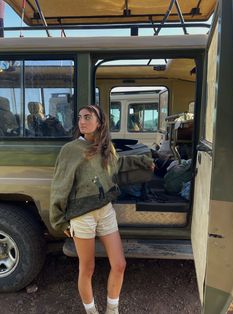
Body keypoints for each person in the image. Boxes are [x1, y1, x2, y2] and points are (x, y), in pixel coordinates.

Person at [50, 105, 154, 314]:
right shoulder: (70, 150)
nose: (82, 121)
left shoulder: (107, 148)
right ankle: (91, 311)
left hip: (106, 211)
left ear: (100, 122)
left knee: (119, 264)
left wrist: (145, 162)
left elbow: (120, 163)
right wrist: (59, 219)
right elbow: (60, 185)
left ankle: (112, 310)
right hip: (82, 215)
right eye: (80, 117)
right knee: (87, 268)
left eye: (88, 117)